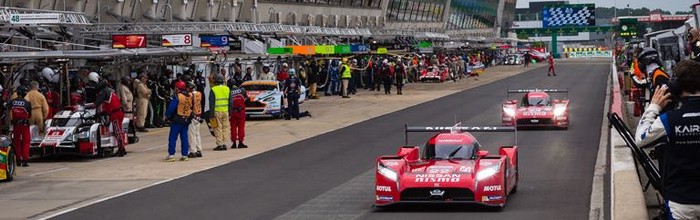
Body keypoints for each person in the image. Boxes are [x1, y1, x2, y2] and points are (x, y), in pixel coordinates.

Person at [635, 60, 700, 220]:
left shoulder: (669, 119)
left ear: (675, 87)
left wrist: (654, 107)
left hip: (680, 203)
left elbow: (641, 139)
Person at [87, 79, 127, 156]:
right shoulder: (110, 91)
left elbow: (96, 104)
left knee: (117, 131)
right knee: (118, 131)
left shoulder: (104, 92)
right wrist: (101, 113)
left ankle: (121, 149)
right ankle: (122, 148)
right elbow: (108, 106)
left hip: (115, 113)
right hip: (118, 112)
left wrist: (88, 107)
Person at [164, 81, 192, 161]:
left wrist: (167, 115)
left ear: (177, 88)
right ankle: (184, 155)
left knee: (173, 137)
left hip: (177, 119)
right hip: (186, 119)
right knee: (184, 137)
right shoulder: (189, 96)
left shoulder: (177, 97)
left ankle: (171, 155)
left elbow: (171, 108)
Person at [8, 86, 31, 166]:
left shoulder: (12, 102)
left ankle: (18, 160)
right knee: (26, 142)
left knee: (16, 142)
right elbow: (30, 115)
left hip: (15, 125)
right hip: (24, 125)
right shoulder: (27, 103)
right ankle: (25, 160)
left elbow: (6, 107)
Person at [210, 74, 231, 151]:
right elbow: (230, 101)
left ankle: (220, 144)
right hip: (225, 111)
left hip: (217, 111)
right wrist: (230, 112)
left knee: (217, 127)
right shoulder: (227, 89)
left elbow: (211, 103)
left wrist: (211, 114)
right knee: (225, 127)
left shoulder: (213, 89)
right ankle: (225, 143)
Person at [229, 82, 248, 149]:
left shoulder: (229, 92)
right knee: (241, 127)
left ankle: (234, 143)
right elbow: (247, 100)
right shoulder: (242, 90)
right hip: (241, 111)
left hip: (233, 112)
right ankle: (240, 142)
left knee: (233, 128)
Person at [187, 82, 203, 158]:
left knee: (191, 134)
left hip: (193, 115)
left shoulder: (190, 95)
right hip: (199, 114)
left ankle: (193, 151)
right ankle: (199, 150)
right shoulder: (199, 93)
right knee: (197, 133)